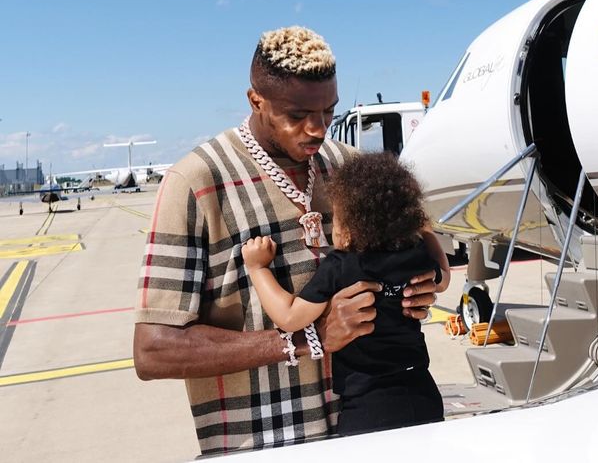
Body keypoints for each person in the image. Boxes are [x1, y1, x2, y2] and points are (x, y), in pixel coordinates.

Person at [133, 27, 437, 455]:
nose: (317, 129)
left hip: (368, 429)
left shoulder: (351, 170)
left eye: (329, 112)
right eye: (297, 115)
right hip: (262, 444)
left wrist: (416, 290)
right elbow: (153, 351)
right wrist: (309, 339)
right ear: (256, 101)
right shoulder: (197, 182)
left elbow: (415, 256)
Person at [242, 152, 451, 436]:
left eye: (336, 221)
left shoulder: (342, 267)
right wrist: (425, 232)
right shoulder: (415, 256)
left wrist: (258, 268)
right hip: (423, 392)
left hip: (368, 403)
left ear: (351, 230)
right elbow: (443, 276)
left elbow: (290, 317)